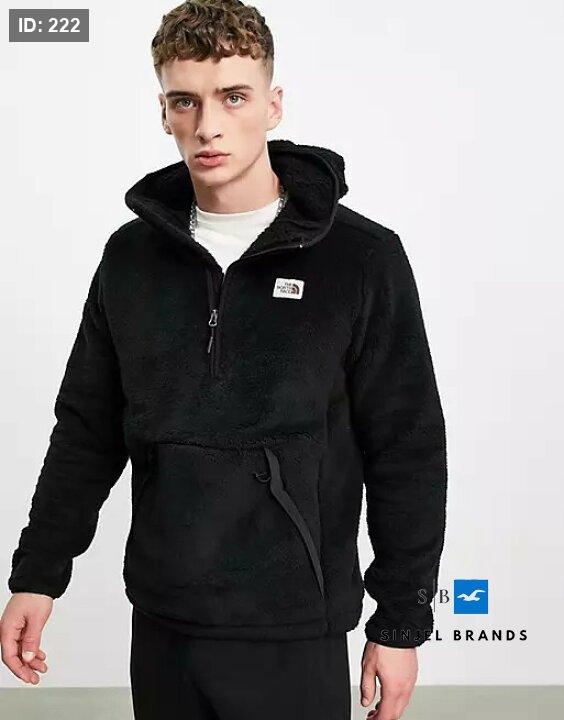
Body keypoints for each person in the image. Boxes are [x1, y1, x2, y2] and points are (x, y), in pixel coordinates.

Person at [0, 1, 448, 718]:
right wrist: (38, 572)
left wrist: (400, 622)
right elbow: (87, 428)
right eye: (186, 101)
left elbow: (407, 446)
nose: (208, 125)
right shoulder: (131, 257)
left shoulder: (361, 258)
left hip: (296, 626)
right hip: (165, 619)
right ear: (164, 112)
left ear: (273, 104)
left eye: (233, 97)